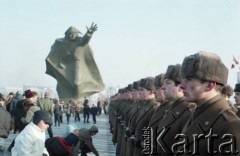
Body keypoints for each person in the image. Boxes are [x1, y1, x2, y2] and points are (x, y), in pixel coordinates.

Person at [179, 51, 240, 155]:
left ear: (209, 86)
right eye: (183, 79)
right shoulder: (198, 113)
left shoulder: (230, 124)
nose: (181, 85)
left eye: (189, 79)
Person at [45, 23, 104, 102]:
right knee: (63, 81)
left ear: (77, 34)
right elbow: (55, 50)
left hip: (76, 63)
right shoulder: (61, 42)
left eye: (73, 34)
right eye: (69, 34)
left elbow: (85, 40)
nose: (71, 35)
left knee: (76, 83)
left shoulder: (79, 40)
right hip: (64, 64)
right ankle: (68, 97)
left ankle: (76, 99)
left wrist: (89, 33)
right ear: (66, 34)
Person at [156, 64, 195, 155]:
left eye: (168, 83)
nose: (163, 87)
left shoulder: (188, 112)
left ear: (180, 87)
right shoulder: (173, 108)